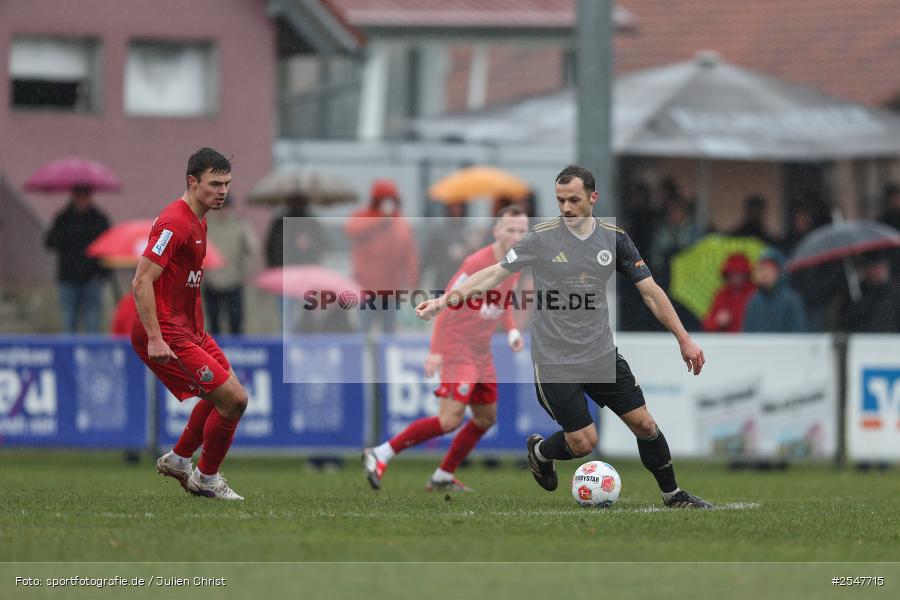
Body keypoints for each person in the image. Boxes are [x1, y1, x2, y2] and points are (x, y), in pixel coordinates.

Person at [416, 165, 713, 509]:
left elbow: (650, 292)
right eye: (561, 200)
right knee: (585, 442)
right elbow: (493, 274)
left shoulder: (615, 239)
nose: (567, 207)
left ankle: (673, 496)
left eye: (574, 200)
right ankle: (542, 452)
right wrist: (443, 301)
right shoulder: (541, 238)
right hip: (555, 359)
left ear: (593, 197)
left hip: (600, 353)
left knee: (644, 424)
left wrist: (683, 339)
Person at [362, 206, 528, 492]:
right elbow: (448, 302)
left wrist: (512, 330)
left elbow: (504, 301)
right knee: (449, 420)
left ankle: (442, 476)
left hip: (482, 351)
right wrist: (436, 350)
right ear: (496, 231)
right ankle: (381, 452)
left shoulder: (517, 262)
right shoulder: (476, 262)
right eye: (510, 230)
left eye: (522, 231)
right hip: (458, 347)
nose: (517, 236)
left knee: (486, 418)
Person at [131, 148, 248, 500]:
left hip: (191, 330)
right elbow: (141, 281)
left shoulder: (199, 218)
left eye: (226, 184)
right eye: (215, 184)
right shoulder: (175, 223)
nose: (222, 191)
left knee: (230, 396)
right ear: (192, 182)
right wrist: (155, 338)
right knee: (233, 399)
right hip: (167, 333)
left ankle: (180, 459)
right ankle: (206, 478)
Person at [344, 179, 419, 334]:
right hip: (366, 288)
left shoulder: (400, 224)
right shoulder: (364, 217)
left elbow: (408, 253)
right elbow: (351, 229)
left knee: (389, 332)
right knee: (363, 330)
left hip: (391, 289)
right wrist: (379, 220)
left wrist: (412, 280)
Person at [44, 185, 110, 333]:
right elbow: (49, 241)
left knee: (93, 322)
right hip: (68, 278)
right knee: (68, 322)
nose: (81, 200)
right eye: (78, 196)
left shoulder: (99, 219)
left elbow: (108, 247)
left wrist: (102, 275)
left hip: (92, 278)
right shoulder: (63, 218)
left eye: (84, 196)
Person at [203, 195, 259, 334]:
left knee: (236, 323)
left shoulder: (240, 225)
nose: (223, 210)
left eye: (225, 206)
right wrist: (202, 271)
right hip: (211, 281)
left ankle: (237, 347)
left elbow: (252, 249)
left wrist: (244, 271)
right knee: (213, 322)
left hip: (234, 281)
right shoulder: (206, 224)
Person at [742, 248, 808, 333]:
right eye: (762, 269)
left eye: (769, 269)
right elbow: (747, 333)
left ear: (779, 272)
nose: (765, 273)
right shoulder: (754, 301)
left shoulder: (791, 300)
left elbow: (799, 331)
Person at [834, 254, 900, 333]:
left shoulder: (895, 293)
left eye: (882, 267)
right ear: (867, 270)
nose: (879, 271)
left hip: (891, 338)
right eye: (875, 268)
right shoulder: (856, 292)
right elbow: (846, 321)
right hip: (864, 337)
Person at [702, 253, 756, 333]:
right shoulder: (721, 294)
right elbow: (707, 324)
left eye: (740, 273)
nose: (736, 277)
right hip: (727, 339)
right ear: (727, 275)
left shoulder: (755, 293)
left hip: (751, 338)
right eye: (732, 274)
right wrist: (717, 321)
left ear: (746, 274)